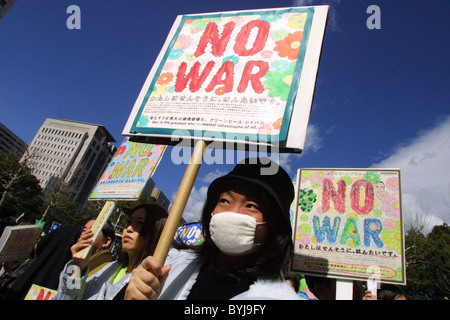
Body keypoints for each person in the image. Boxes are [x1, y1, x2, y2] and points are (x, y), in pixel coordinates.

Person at [124, 158, 302, 300]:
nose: (232, 212)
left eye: (252, 206)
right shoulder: (168, 265)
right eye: (225, 201)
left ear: (275, 226)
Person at [54, 203, 168, 300]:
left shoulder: (153, 281)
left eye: (140, 223)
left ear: (156, 232)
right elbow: (68, 296)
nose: (129, 228)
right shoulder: (111, 267)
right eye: (129, 221)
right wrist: (79, 267)